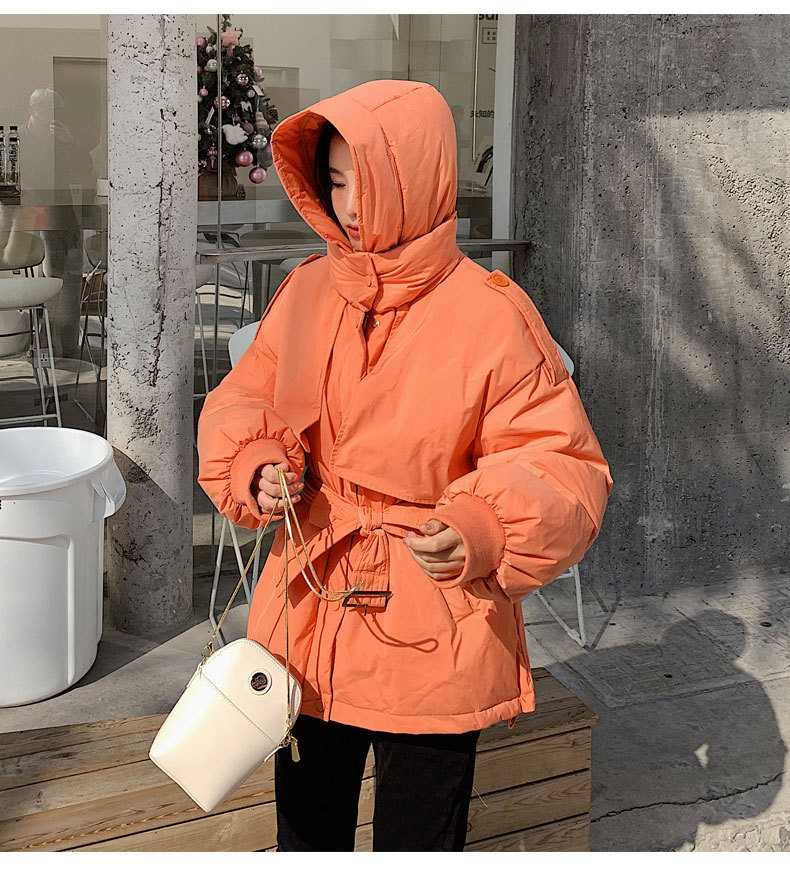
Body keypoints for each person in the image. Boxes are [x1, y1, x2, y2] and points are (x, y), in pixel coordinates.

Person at [196, 79, 613, 852]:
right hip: (312, 606)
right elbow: (243, 397)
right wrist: (255, 461)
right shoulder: (307, 290)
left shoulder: (493, 315)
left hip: (435, 615)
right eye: (334, 181)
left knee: (419, 839)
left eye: (367, 180)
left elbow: (562, 466)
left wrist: (484, 526)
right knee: (307, 832)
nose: (349, 204)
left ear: (416, 179)